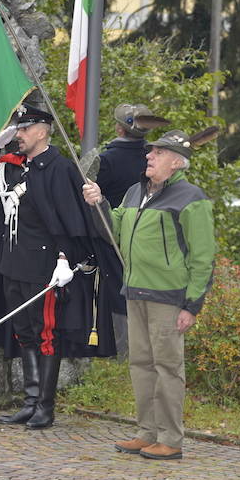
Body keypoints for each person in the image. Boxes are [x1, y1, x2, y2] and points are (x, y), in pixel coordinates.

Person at [0, 104, 118, 430]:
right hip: (13, 265)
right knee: (24, 333)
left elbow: (69, 221)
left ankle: (45, 406)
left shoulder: (60, 169)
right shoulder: (18, 168)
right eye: (18, 129)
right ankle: (29, 402)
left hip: (45, 268)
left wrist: (63, 260)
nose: (19, 134)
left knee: (47, 335)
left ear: (43, 131)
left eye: (24, 129)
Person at [82, 129, 216, 460]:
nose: (148, 156)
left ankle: (170, 439)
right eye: (150, 152)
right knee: (141, 364)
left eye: (157, 153)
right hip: (135, 291)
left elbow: (203, 258)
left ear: (176, 162)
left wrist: (192, 305)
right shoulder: (133, 192)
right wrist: (98, 202)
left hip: (168, 297)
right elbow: (112, 227)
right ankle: (147, 432)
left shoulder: (191, 198)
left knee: (168, 367)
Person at [95, 104, 169, 357]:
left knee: (118, 289)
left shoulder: (106, 161)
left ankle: (123, 350)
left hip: (115, 233)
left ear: (118, 128)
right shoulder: (157, 159)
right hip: (152, 235)